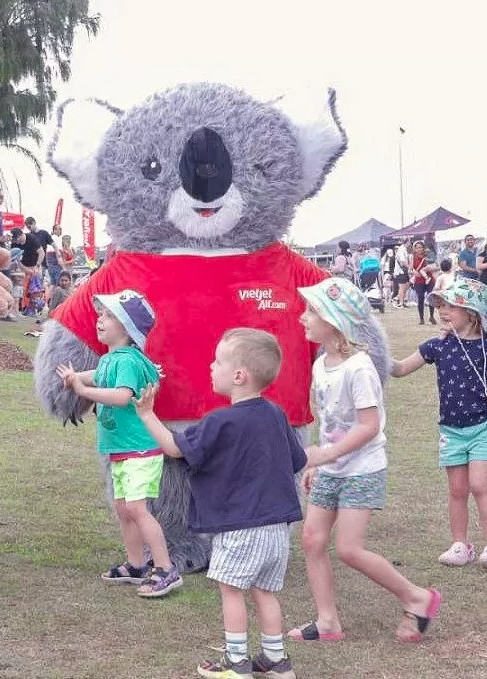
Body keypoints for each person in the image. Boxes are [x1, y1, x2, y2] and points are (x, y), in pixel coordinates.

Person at [133, 328, 306, 679]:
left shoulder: (219, 421)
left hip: (240, 528)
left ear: (239, 375)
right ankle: (275, 660)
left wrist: (147, 414)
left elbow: (175, 448)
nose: (212, 367)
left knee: (231, 591)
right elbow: (297, 459)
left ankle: (236, 661)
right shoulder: (275, 415)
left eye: (218, 361)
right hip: (277, 528)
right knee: (265, 591)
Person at [288, 277, 441, 644]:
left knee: (348, 548)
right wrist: (317, 464)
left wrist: (327, 454)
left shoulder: (359, 367)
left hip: (361, 469)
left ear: (336, 320)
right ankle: (327, 623)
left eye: (312, 311)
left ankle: (417, 597)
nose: (302, 317)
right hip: (331, 468)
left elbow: (369, 426)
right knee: (312, 540)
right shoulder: (322, 363)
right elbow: (329, 420)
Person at [55, 290, 182, 597]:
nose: (100, 320)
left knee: (137, 509)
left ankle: (165, 568)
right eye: (101, 314)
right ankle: (136, 564)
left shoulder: (126, 360)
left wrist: (83, 392)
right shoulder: (113, 359)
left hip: (139, 450)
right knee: (125, 509)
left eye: (109, 316)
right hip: (122, 449)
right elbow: (98, 375)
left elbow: (122, 395)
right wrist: (76, 378)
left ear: (127, 328)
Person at [390, 278, 487, 569]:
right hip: (450, 429)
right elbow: (401, 369)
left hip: (484, 425)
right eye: (441, 306)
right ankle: (460, 545)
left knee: (480, 484)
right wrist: (376, 355)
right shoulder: (438, 346)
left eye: (450, 306)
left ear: (471, 313)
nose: (443, 311)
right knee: (457, 490)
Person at [409, 240, 437, 325]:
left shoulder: (428, 255)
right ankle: (421, 318)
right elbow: (410, 269)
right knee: (420, 297)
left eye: (420, 247)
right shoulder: (412, 257)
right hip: (419, 280)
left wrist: (430, 268)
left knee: (430, 296)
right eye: (417, 247)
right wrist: (415, 273)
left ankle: (431, 316)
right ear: (414, 249)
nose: (419, 249)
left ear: (423, 248)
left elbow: (436, 265)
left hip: (429, 279)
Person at [393, 238, 411, 307]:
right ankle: (400, 302)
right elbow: (402, 262)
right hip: (401, 271)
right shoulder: (401, 250)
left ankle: (399, 299)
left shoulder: (404, 249)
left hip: (404, 270)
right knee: (402, 287)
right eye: (409, 242)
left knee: (407, 285)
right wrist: (409, 267)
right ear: (407, 242)